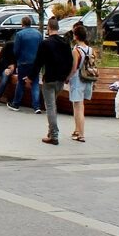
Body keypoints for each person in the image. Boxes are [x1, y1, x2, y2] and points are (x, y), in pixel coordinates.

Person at [32, 17, 73, 145]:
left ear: (48, 28)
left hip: (49, 78)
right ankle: (50, 132)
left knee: (50, 107)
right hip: (61, 79)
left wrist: (30, 76)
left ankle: (54, 135)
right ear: (58, 28)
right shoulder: (65, 43)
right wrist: (67, 76)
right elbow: (70, 61)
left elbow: (38, 62)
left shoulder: (45, 43)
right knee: (52, 105)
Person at [67, 22, 95, 142]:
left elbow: (74, 68)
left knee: (78, 107)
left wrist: (68, 77)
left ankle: (81, 133)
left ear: (76, 36)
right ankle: (77, 130)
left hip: (78, 79)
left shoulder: (76, 50)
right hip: (88, 79)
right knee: (80, 105)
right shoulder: (91, 49)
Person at [9, 16, 43, 112]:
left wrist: (17, 59)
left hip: (23, 62)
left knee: (21, 82)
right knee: (35, 83)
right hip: (35, 63)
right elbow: (41, 48)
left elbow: (16, 50)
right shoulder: (38, 34)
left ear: (22, 24)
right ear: (30, 23)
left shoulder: (19, 34)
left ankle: (16, 104)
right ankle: (37, 107)